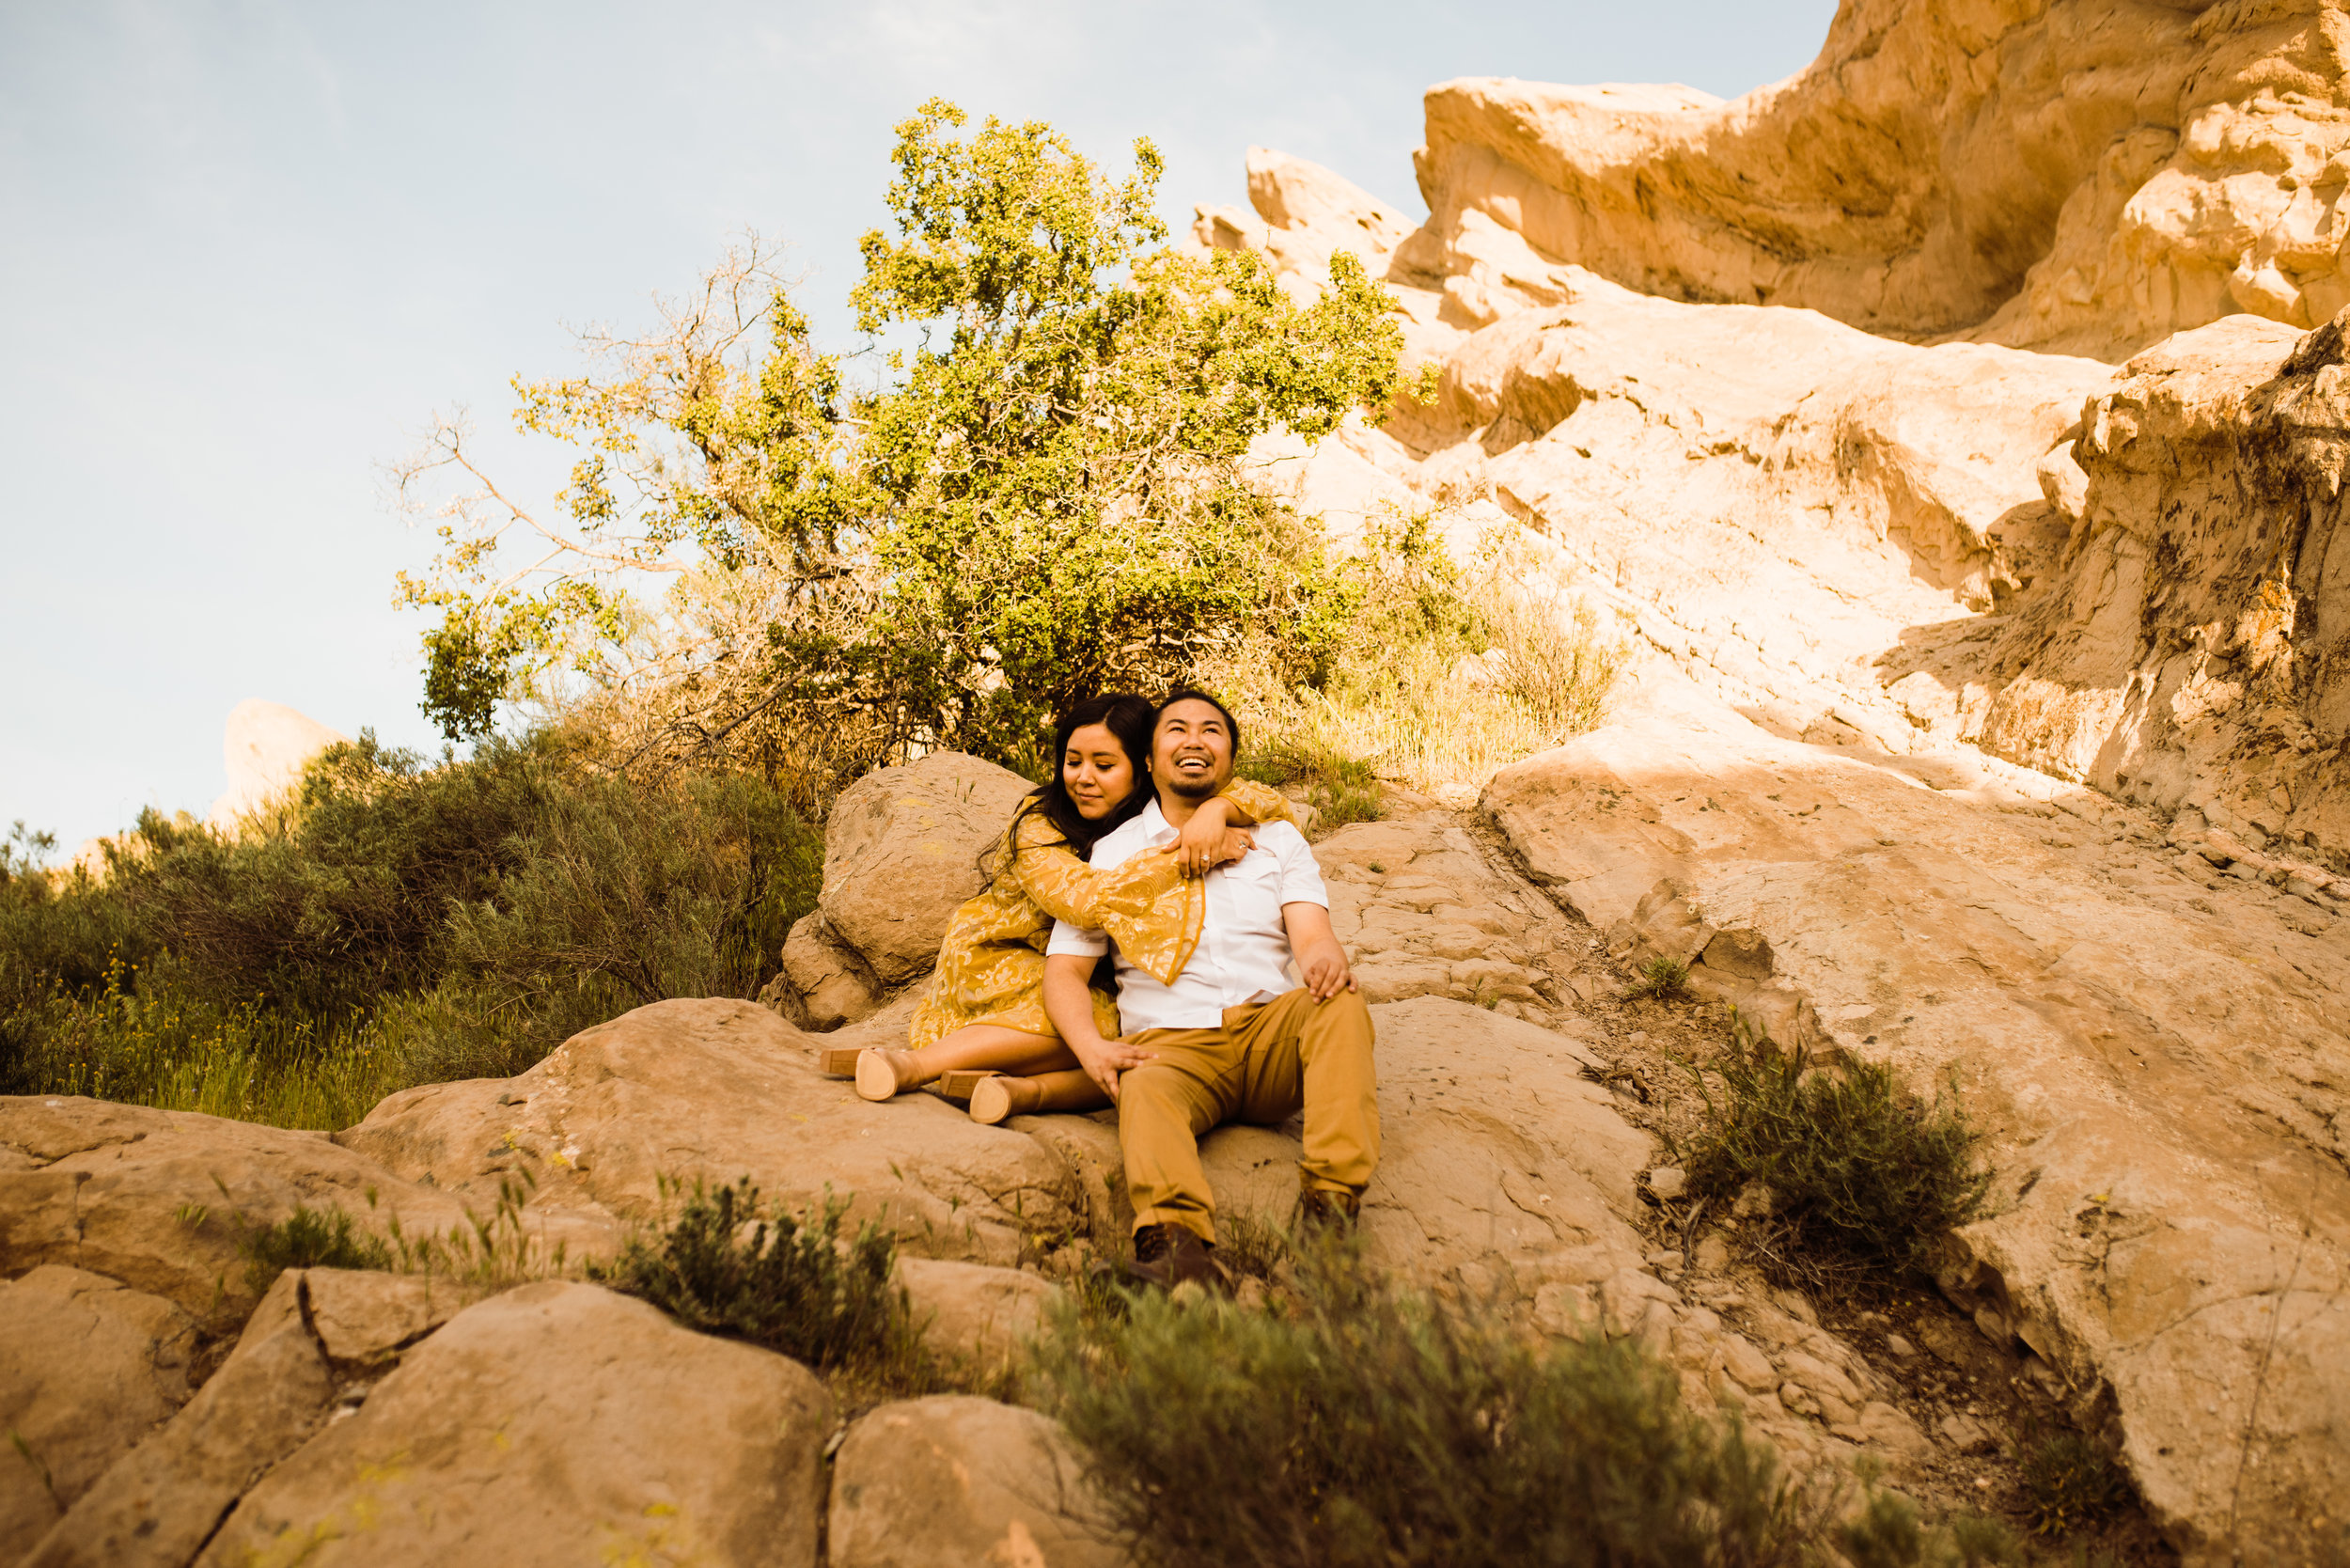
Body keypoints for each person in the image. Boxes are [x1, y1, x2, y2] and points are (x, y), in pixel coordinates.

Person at [1042, 689, 1379, 1290]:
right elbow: (1065, 969)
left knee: (1342, 1002)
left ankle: (1328, 1221)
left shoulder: (1277, 839)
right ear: (1149, 758)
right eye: (1176, 729)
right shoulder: (1112, 855)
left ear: (1229, 757)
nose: (1194, 740)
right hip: (1172, 1048)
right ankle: (1178, 1255)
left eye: (1211, 730)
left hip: (1268, 1033)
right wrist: (1092, 1048)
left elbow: (1312, 933)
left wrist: (1327, 962)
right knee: (1141, 1083)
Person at [833, 693, 1297, 1125]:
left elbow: (1275, 804)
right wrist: (1193, 853)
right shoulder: (1040, 826)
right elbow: (1086, 901)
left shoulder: (1156, 818)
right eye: (1073, 762)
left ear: (1144, 768)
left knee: (1151, 1029)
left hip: (1093, 968)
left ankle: (1019, 1090)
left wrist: (1217, 810)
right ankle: (913, 1067)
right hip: (1006, 957)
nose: (1083, 777)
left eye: (1104, 764)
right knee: (1098, 1024)